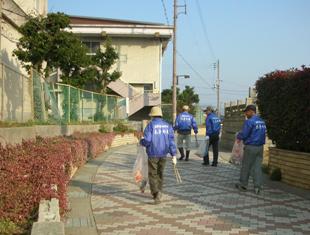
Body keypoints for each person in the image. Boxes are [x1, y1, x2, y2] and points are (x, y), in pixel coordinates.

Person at [140, 106, 177, 204]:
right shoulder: (168, 125)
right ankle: (159, 191)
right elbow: (171, 141)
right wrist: (173, 155)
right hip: (164, 154)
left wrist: (142, 141)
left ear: (152, 116)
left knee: (153, 174)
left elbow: (147, 140)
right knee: (160, 173)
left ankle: (156, 193)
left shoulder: (150, 125)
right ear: (160, 115)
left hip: (153, 153)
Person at [235, 104, 266, 194]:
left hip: (251, 147)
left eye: (246, 112)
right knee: (257, 167)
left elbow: (244, 134)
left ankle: (243, 184)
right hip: (260, 147)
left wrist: (238, 135)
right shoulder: (262, 121)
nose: (245, 114)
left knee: (246, 166)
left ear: (251, 111)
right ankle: (258, 187)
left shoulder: (249, 122)